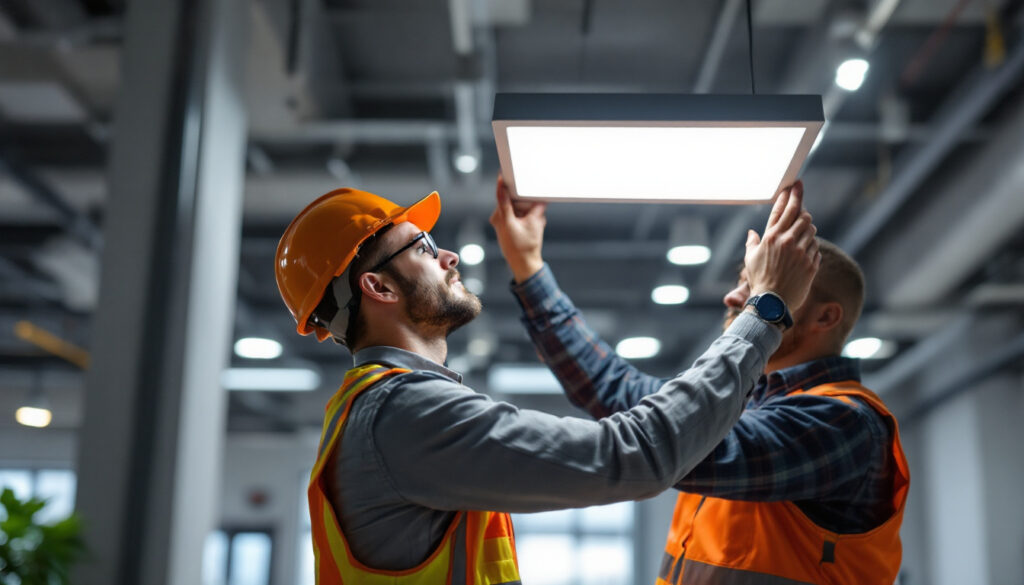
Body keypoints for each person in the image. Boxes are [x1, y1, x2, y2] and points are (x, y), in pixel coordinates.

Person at [274, 184, 818, 585]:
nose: (449, 256)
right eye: (421, 247)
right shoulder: (404, 412)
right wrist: (765, 311)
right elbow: (629, 455)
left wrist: (529, 267)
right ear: (377, 287)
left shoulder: (377, 410)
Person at [491, 176, 910, 585]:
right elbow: (616, 390)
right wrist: (528, 267)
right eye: (745, 285)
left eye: (760, 286)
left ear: (825, 316)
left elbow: (672, 444)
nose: (733, 298)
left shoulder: (845, 424)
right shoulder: (738, 408)